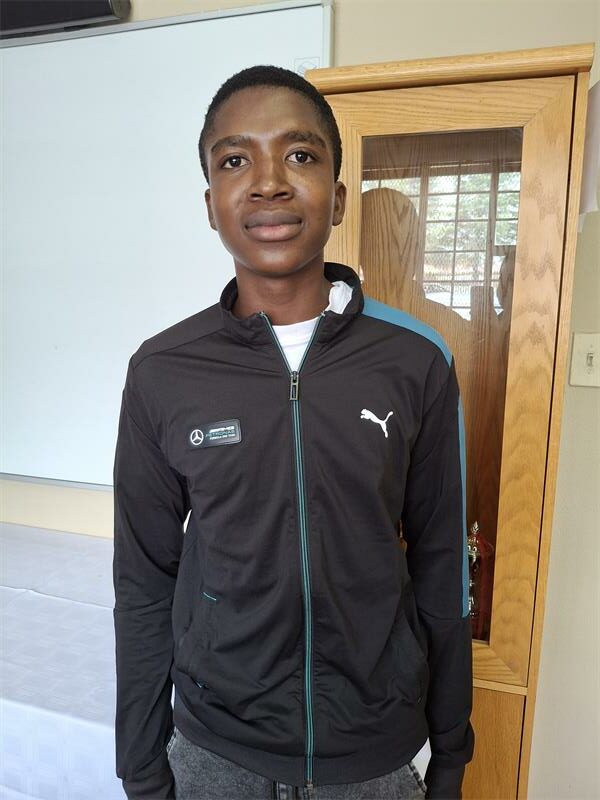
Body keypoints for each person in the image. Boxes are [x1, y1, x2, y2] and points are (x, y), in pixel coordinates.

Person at [113, 65, 475, 800]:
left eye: (300, 155)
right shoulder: (162, 371)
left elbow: (443, 567)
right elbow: (144, 583)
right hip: (215, 752)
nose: (269, 183)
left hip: (373, 757)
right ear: (211, 205)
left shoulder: (415, 362)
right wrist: (142, 767)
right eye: (234, 161)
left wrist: (451, 752)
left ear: (336, 197)